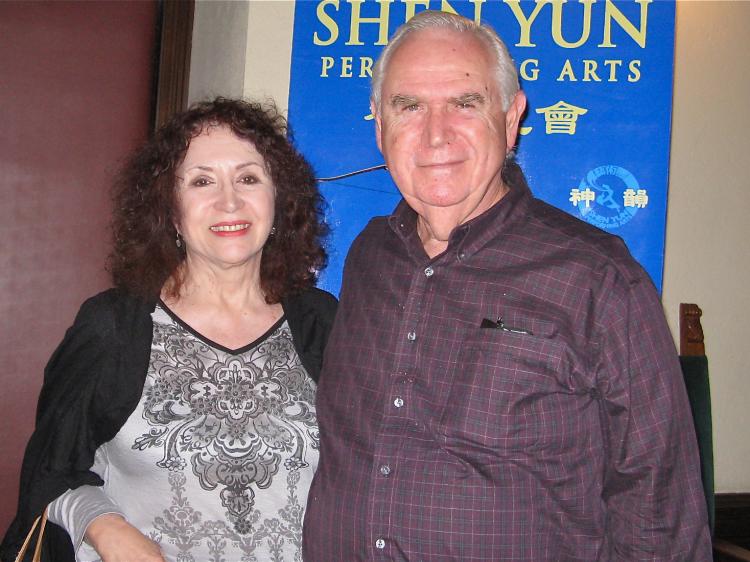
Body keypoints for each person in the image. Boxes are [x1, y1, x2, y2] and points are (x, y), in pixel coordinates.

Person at [303, 11, 711, 561]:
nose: (436, 133)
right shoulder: (368, 258)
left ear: (511, 116)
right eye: (409, 106)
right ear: (379, 126)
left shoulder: (599, 280)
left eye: (465, 103)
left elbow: (660, 513)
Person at [1, 98, 337, 562]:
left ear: (278, 200)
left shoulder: (323, 322)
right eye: (202, 181)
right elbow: (52, 470)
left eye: (248, 178)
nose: (230, 201)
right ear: (170, 210)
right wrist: (105, 527)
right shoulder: (114, 327)